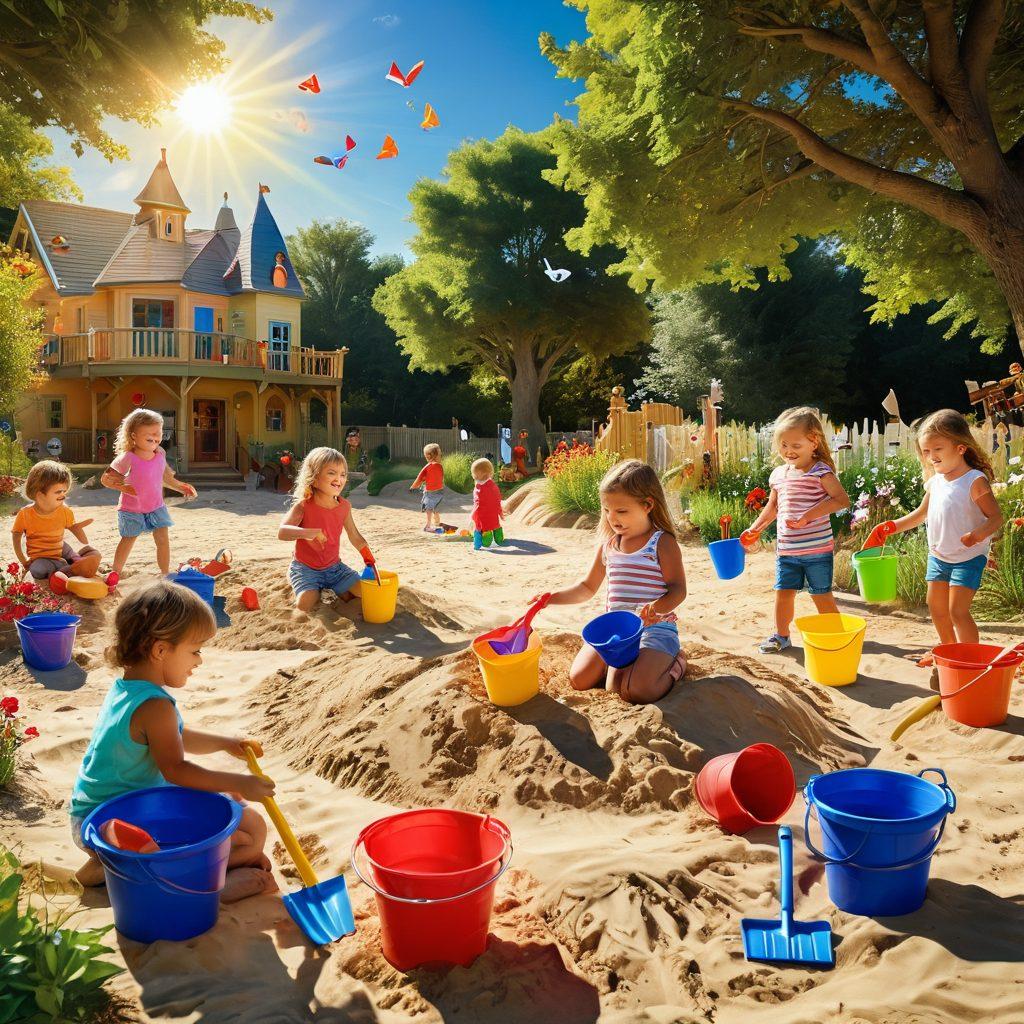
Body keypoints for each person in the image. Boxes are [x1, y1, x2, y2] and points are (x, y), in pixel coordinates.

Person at [69, 581, 276, 901]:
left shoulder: (128, 689)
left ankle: (109, 868)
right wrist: (241, 782)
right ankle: (206, 889)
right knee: (252, 831)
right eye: (195, 651)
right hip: (115, 824)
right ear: (161, 650)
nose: (199, 661)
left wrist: (226, 742)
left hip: (93, 818)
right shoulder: (156, 706)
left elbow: (175, 738)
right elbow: (176, 769)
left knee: (233, 805)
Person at [536, 459, 687, 704]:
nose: (612, 519)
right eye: (607, 510)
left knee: (638, 692)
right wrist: (551, 598)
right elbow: (586, 588)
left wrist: (655, 609)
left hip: (655, 628)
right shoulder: (608, 546)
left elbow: (678, 589)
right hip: (617, 634)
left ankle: (677, 663)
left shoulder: (661, 542)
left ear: (648, 505)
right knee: (581, 680)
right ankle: (629, 668)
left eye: (621, 511)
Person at [863, 409, 1003, 666]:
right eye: (926, 451)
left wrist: (977, 535)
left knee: (957, 611)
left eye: (937, 449)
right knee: (936, 609)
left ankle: (972, 661)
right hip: (938, 556)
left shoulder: (974, 481)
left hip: (968, 557)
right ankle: (950, 654)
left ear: (960, 448)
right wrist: (888, 527)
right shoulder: (936, 481)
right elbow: (920, 515)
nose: (930, 456)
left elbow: (996, 518)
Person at [743, 407, 851, 654]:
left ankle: (837, 637)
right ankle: (781, 636)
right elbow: (773, 507)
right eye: (783, 445)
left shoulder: (821, 471)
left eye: (796, 446)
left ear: (814, 442)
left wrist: (807, 517)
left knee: (821, 595)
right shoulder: (779, 474)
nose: (789, 452)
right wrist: (755, 529)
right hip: (787, 552)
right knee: (783, 594)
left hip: (817, 550)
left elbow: (841, 500)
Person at [278, 446, 377, 612]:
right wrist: (308, 533)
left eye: (343, 474)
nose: (339, 478)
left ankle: (330, 590)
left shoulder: (344, 506)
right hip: (306, 568)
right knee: (305, 605)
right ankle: (299, 579)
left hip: (334, 568)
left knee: (362, 594)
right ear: (314, 478)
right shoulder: (303, 505)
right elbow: (282, 532)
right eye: (332, 473)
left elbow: (354, 535)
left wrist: (369, 559)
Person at [101, 409, 196, 577]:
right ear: (133, 436)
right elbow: (105, 479)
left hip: (156, 507)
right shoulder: (127, 457)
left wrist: (181, 487)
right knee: (128, 539)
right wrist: (122, 487)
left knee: (163, 540)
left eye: (158, 432)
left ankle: (165, 573)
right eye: (149, 434)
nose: (155, 437)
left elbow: (165, 477)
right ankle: (115, 572)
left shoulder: (160, 453)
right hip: (131, 508)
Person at [11, 460, 111, 592]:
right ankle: (73, 567)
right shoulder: (25, 514)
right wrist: (23, 560)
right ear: (40, 495)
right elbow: (16, 537)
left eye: (65, 491)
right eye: (58, 492)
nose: (63, 495)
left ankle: (81, 563)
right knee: (38, 570)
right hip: (40, 556)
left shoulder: (64, 511)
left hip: (59, 547)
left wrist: (76, 528)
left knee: (68, 549)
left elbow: (72, 527)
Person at [470, 458, 505, 549]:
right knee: (495, 525)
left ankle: (477, 544)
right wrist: (500, 511)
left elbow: (477, 503)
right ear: (490, 473)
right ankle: (498, 538)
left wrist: (473, 514)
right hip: (493, 513)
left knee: (479, 528)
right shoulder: (493, 486)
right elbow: (497, 499)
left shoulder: (478, 488)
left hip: (481, 515)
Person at [410, 443, 445, 532]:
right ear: (432, 455)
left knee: (435, 508)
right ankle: (428, 526)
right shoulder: (429, 466)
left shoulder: (439, 465)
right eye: (439, 453)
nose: (441, 455)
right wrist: (413, 487)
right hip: (430, 492)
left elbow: (439, 477)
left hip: (439, 491)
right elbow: (420, 478)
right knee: (430, 509)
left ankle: (436, 522)